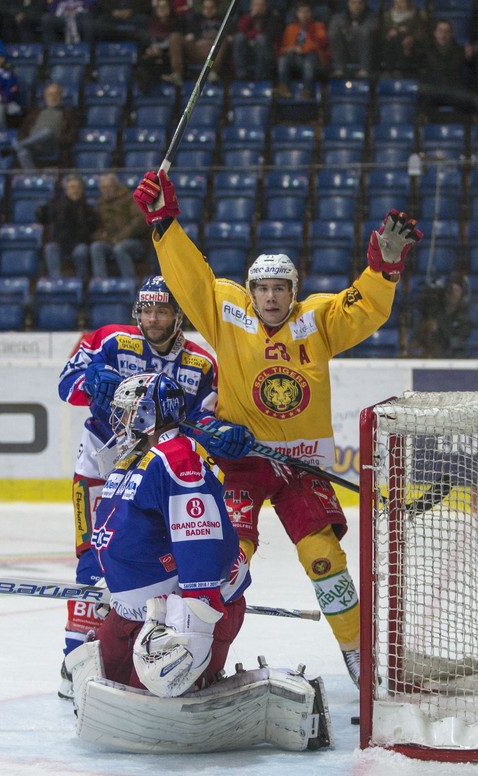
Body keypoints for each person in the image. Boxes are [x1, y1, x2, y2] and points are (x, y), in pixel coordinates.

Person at [133, 170, 423, 688]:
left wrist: (384, 269)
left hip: (301, 466)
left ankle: (359, 660)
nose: (270, 298)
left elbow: (364, 307)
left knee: (322, 559)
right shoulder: (225, 311)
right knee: (227, 559)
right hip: (242, 463)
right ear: (250, 291)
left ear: (295, 289)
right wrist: (164, 224)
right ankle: (192, 648)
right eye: (262, 289)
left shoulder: (317, 320)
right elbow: (190, 278)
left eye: (280, 289)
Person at [57, 275, 252, 699]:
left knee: (154, 558)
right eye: (145, 310)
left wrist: (219, 432)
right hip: (100, 464)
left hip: (154, 471)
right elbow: (65, 385)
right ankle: (75, 661)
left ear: (178, 315)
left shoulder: (202, 362)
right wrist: (90, 382)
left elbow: (198, 421)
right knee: (93, 561)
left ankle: (161, 643)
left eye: (161, 311)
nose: (152, 319)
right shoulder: (109, 340)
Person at [74, 371, 251, 696]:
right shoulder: (133, 458)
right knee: (98, 681)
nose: (120, 420)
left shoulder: (177, 458)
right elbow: (119, 527)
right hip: (134, 612)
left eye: (127, 411)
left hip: (182, 611)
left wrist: (198, 612)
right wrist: (113, 580)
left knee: (159, 690)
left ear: (148, 414)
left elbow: (199, 535)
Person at [35, 173, 99, 280]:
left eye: (78, 187)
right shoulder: (57, 205)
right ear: (66, 190)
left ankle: (81, 281)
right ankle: (56, 282)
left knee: (81, 251)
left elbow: (92, 228)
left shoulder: (88, 209)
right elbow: (44, 219)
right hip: (61, 243)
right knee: (50, 248)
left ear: (82, 190)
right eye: (72, 187)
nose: (75, 190)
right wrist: (40, 212)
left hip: (79, 243)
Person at [90, 172, 153, 280]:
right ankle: (101, 282)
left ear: (116, 186)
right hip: (111, 240)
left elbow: (139, 221)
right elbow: (96, 227)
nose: (106, 190)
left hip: (136, 241)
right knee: (96, 247)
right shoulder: (100, 204)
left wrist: (120, 237)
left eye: (109, 186)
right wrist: (102, 236)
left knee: (120, 248)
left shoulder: (130, 199)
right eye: (103, 187)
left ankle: (130, 282)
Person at [8, 81, 79, 168]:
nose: (53, 97)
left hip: (52, 145)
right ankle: (33, 179)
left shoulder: (68, 114)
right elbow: (23, 131)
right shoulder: (35, 112)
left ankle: (18, 146)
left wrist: (58, 139)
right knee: (23, 152)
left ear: (61, 96)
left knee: (47, 131)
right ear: (45, 97)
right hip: (33, 145)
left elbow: (72, 135)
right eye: (50, 94)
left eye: (56, 94)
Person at [408, 273, 473, 358]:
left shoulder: (465, 320)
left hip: (453, 361)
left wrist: (437, 329)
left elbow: (456, 343)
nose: (452, 293)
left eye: (456, 290)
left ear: (463, 296)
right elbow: (416, 340)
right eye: (450, 289)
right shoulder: (434, 314)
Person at [275, 0, 330, 99]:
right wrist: (288, 49)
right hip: (294, 58)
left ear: (311, 13)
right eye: (301, 12)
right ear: (297, 14)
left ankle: (307, 90)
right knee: (283, 59)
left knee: (309, 60)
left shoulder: (318, 26)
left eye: (306, 12)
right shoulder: (290, 28)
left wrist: (302, 49)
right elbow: (283, 48)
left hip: (313, 58)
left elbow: (320, 43)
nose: (304, 15)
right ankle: (284, 88)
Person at [135, 0, 185, 90]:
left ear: (170, 9)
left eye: (164, 7)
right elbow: (144, 43)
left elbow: (178, 44)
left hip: (167, 60)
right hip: (152, 61)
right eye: (159, 7)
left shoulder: (178, 23)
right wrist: (149, 50)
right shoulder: (149, 25)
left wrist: (162, 51)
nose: (161, 9)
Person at [231, 0, 282, 82]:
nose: (258, 8)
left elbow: (270, 34)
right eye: (256, 5)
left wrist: (251, 37)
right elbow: (240, 30)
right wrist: (250, 17)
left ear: (265, 7)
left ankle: (261, 77)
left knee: (261, 39)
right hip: (247, 49)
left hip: (266, 51)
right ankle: (241, 75)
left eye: (261, 5)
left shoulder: (273, 18)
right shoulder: (246, 18)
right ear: (251, 7)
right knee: (239, 37)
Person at [327, 0, 378, 78]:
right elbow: (332, 33)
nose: (356, 6)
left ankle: (364, 69)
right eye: (353, 3)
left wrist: (347, 31)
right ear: (348, 4)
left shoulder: (371, 17)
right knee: (334, 35)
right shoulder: (338, 17)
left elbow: (370, 29)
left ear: (364, 4)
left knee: (365, 34)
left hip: (365, 52)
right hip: (345, 50)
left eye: (359, 3)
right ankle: (339, 69)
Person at [379, 0, 427, 77]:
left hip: (410, 44)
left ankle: (399, 69)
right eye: (396, 2)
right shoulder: (387, 16)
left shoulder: (416, 16)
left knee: (401, 38)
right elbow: (382, 32)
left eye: (402, 2)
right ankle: (391, 69)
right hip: (390, 43)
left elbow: (420, 33)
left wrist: (411, 37)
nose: (399, 5)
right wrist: (389, 34)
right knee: (394, 39)